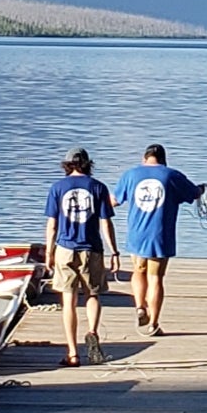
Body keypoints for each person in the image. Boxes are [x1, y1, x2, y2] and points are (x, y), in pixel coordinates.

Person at [112, 144, 207, 335]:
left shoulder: (130, 175)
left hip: (136, 234)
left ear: (144, 158)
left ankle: (140, 307)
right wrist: (202, 189)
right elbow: (193, 193)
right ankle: (153, 324)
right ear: (164, 160)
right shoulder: (171, 175)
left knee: (138, 271)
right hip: (160, 235)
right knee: (155, 277)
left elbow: (115, 200)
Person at [42, 148, 117, 366]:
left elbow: (52, 224)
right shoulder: (98, 187)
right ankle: (92, 332)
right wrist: (114, 251)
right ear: (87, 164)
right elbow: (106, 222)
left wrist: (49, 252)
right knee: (92, 295)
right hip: (92, 248)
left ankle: (72, 353)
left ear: (66, 165)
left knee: (69, 301)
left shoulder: (57, 188)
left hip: (65, 248)